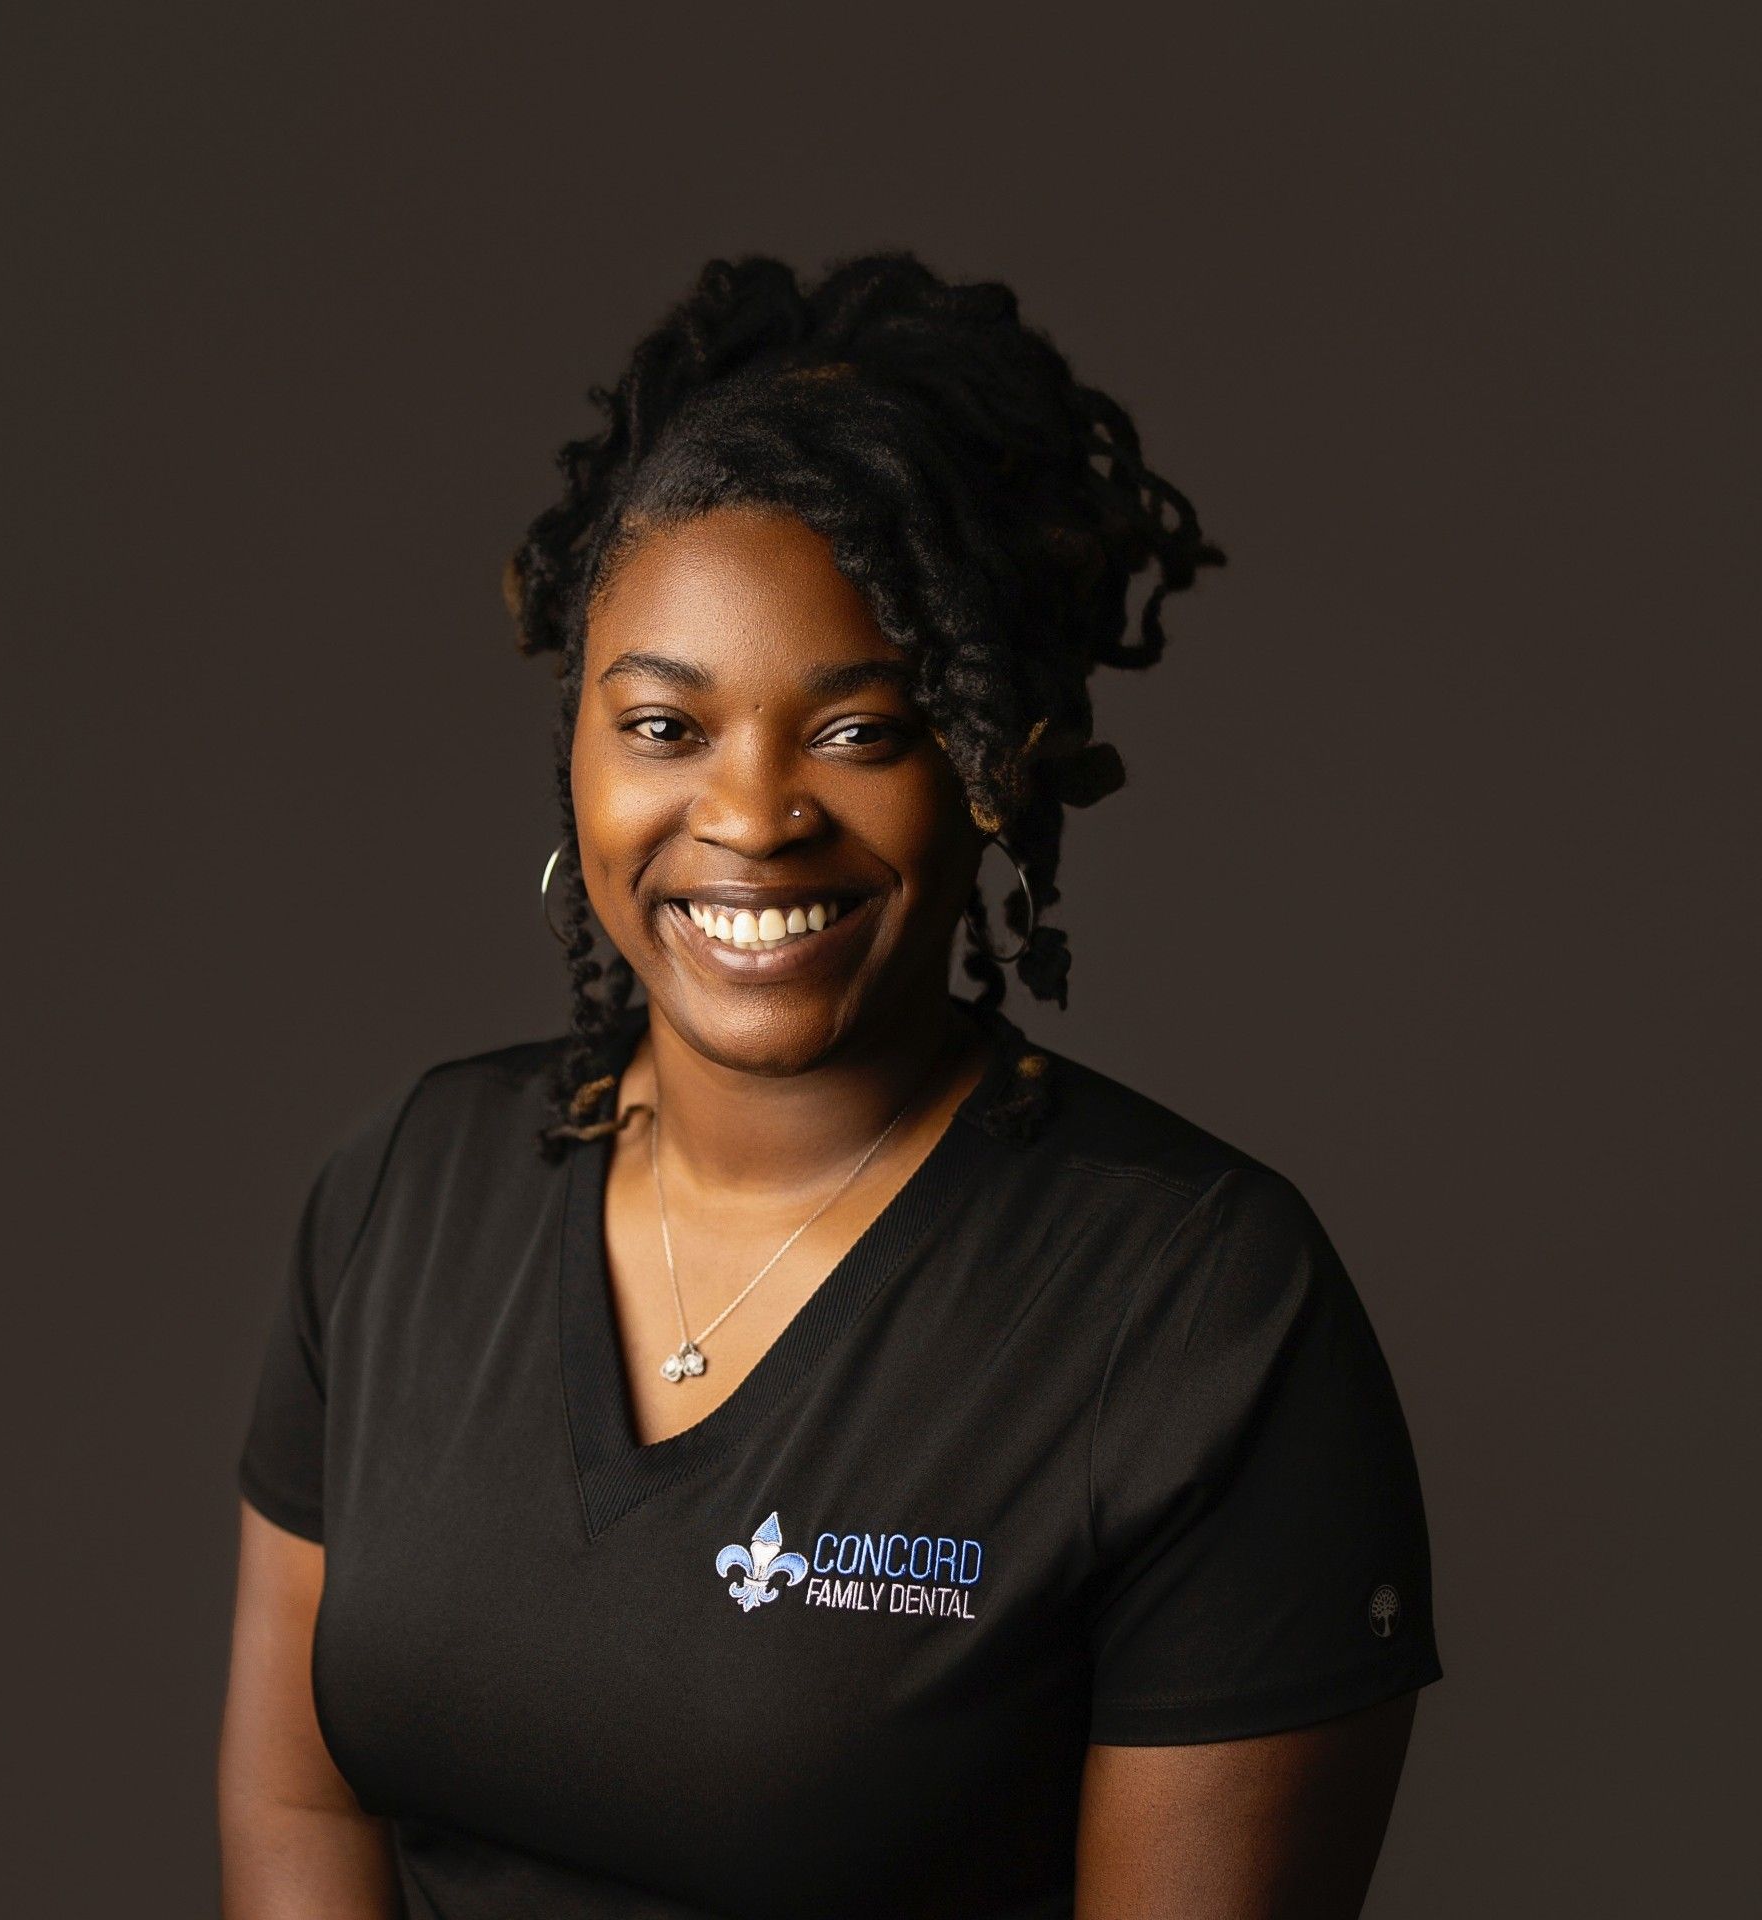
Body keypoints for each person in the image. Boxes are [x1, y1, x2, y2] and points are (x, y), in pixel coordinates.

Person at [217, 251, 1442, 1919]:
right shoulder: (405, 1197)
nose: (752, 813)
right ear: (574, 742)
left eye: (860, 732)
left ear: (992, 769)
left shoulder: (1201, 1315)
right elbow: (302, 1807)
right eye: (664, 726)